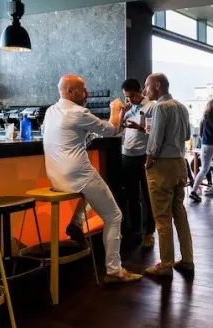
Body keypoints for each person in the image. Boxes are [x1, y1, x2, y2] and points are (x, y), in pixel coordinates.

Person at [42, 74, 141, 284]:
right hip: (77, 174)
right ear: (70, 92)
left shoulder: (51, 111)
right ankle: (114, 271)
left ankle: (76, 223)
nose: (86, 94)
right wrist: (115, 108)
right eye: (83, 90)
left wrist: (119, 115)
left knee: (94, 190)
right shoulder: (78, 112)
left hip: (55, 178)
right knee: (114, 216)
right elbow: (112, 130)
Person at [143, 73, 194, 277]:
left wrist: (148, 160)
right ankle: (187, 259)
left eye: (147, 86)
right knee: (179, 213)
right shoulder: (181, 107)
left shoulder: (160, 108)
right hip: (180, 164)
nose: (145, 91)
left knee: (162, 217)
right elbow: (188, 135)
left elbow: (155, 140)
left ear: (157, 85)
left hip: (162, 166)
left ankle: (165, 265)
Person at [120, 78, 156, 248]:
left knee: (148, 196)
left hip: (143, 156)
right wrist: (122, 113)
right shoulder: (128, 108)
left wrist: (138, 127)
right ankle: (136, 230)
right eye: (127, 97)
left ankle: (149, 232)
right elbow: (119, 127)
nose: (130, 100)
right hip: (127, 155)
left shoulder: (151, 107)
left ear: (140, 91)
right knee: (132, 196)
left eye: (132, 96)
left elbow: (154, 132)